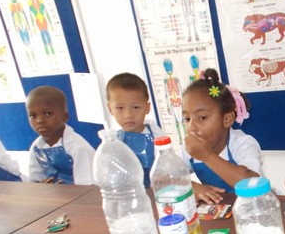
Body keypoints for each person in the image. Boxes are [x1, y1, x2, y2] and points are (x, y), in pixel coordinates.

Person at [181, 68, 262, 203]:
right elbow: (164, 177)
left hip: (255, 208)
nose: (191, 128)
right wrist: (191, 186)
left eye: (202, 117)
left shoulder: (244, 143)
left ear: (227, 119)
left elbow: (249, 184)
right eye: (187, 119)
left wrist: (207, 156)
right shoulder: (188, 149)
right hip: (220, 211)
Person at [106, 72, 165, 188]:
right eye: (120, 108)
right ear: (110, 109)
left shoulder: (158, 136)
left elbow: (167, 172)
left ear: (147, 108)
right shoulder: (112, 142)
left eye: (136, 107)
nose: (128, 115)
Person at [26, 86, 95, 185]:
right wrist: (41, 185)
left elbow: (87, 188)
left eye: (47, 114)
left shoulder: (78, 147)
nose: (40, 121)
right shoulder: (36, 147)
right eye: (33, 116)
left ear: (65, 117)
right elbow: (34, 181)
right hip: (54, 197)